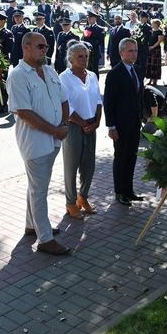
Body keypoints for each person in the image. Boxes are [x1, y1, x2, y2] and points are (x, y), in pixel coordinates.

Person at [6, 32, 70, 256]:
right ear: (26, 48)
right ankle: (45, 238)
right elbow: (24, 112)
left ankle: (32, 226)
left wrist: (63, 125)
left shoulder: (50, 70)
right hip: (35, 142)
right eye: (41, 46)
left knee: (36, 187)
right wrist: (55, 130)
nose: (46, 50)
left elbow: (63, 100)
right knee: (39, 190)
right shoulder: (18, 75)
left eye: (47, 46)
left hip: (54, 139)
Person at [59, 41, 102, 220]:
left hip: (91, 125)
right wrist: (83, 123)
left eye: (86, 56)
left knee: (89, 166)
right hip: (74, 127)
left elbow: (98, 100)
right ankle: (70, 202)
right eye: (80, 56)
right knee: (71, 166)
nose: (84, 60)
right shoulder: (63, 77)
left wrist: (97, 122)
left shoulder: (92, 75)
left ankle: (82, 197)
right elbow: (66, 105)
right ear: (71, 58)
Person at [103, 38, 144, 207]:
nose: (133, 53)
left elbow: (139, 96)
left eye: (135, 50)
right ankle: (119, 191)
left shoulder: (138, 70)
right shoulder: (114, 74)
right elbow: (109, 102)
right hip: (120, 125)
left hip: (135, 123)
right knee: (120, 157)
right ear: (121, 53)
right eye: (130, 51)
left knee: (132, 157)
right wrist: (111, 126)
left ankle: (129, 189)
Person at [82, 10, 106, 77]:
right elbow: (84, 39)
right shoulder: (87, 28)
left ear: (95, 18)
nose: (89, 19)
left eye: (90, 18)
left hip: (95, 53)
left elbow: (100, 41)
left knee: (94, 70)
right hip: (86, 53)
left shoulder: (100, 29)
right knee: (87, 70)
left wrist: (90, 43)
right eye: (88, 18)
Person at [146, 19, 164, 85]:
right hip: (150, 50)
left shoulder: (159, 31)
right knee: (150, 65)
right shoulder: (151, 31)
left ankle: (155, 81)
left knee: (155, 66)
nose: (152, 24)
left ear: (156, 24)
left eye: (153, 23)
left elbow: (159, 41)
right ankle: (150, 79)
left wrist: (152, 47)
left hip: (156, 50)